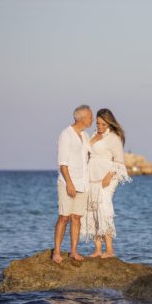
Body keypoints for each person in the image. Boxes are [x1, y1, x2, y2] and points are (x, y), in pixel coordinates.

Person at [81, 108, 132, 258]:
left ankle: (109, 250)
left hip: (107, 177)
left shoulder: (114, 137)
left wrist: (108, 176)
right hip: (91, 176)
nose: (100, 127)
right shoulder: (92, 135)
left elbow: (119, 162)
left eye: (103, 124)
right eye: (98, 123)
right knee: (92, 210)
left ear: (109, 122)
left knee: (104, 210)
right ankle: (97, 249)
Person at [52, 105, 93, 264]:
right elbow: (62, 163)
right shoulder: (66, 134)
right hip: (68, 182)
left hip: (83, 183)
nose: (92, 120)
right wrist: (69, 183)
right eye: (90, 116)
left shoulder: (86, 135)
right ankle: (56, 251)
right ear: (82, 117)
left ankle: (73, 251)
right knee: (64, 217)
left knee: (77, 218)